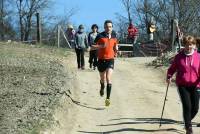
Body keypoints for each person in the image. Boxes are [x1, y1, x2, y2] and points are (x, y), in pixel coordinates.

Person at [167, 35, 200, 134]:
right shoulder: (179, 57)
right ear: (184, 45)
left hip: (196, 85)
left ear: (194, 45)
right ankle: (188, 128)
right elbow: (172, 68)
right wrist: (169, 76)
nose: (189, 47)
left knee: (195, 108)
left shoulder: (198, 56)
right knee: (187, 106)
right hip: (182, 85)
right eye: (186, 45)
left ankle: (187, 121)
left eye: (191, 44)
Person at [91, 20, 118, 106]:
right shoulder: (100, 35)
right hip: (101, 60)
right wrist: (101, 46)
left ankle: (108, 99)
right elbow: (92, 46)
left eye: (110, 27)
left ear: (112, 27)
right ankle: (102, 87)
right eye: (106, 27)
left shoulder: (114, 35)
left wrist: (116, 50)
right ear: (104, 27)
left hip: (110, 59)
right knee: (102, 79)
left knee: (108, 78)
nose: (108, 28)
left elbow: (115, 44)